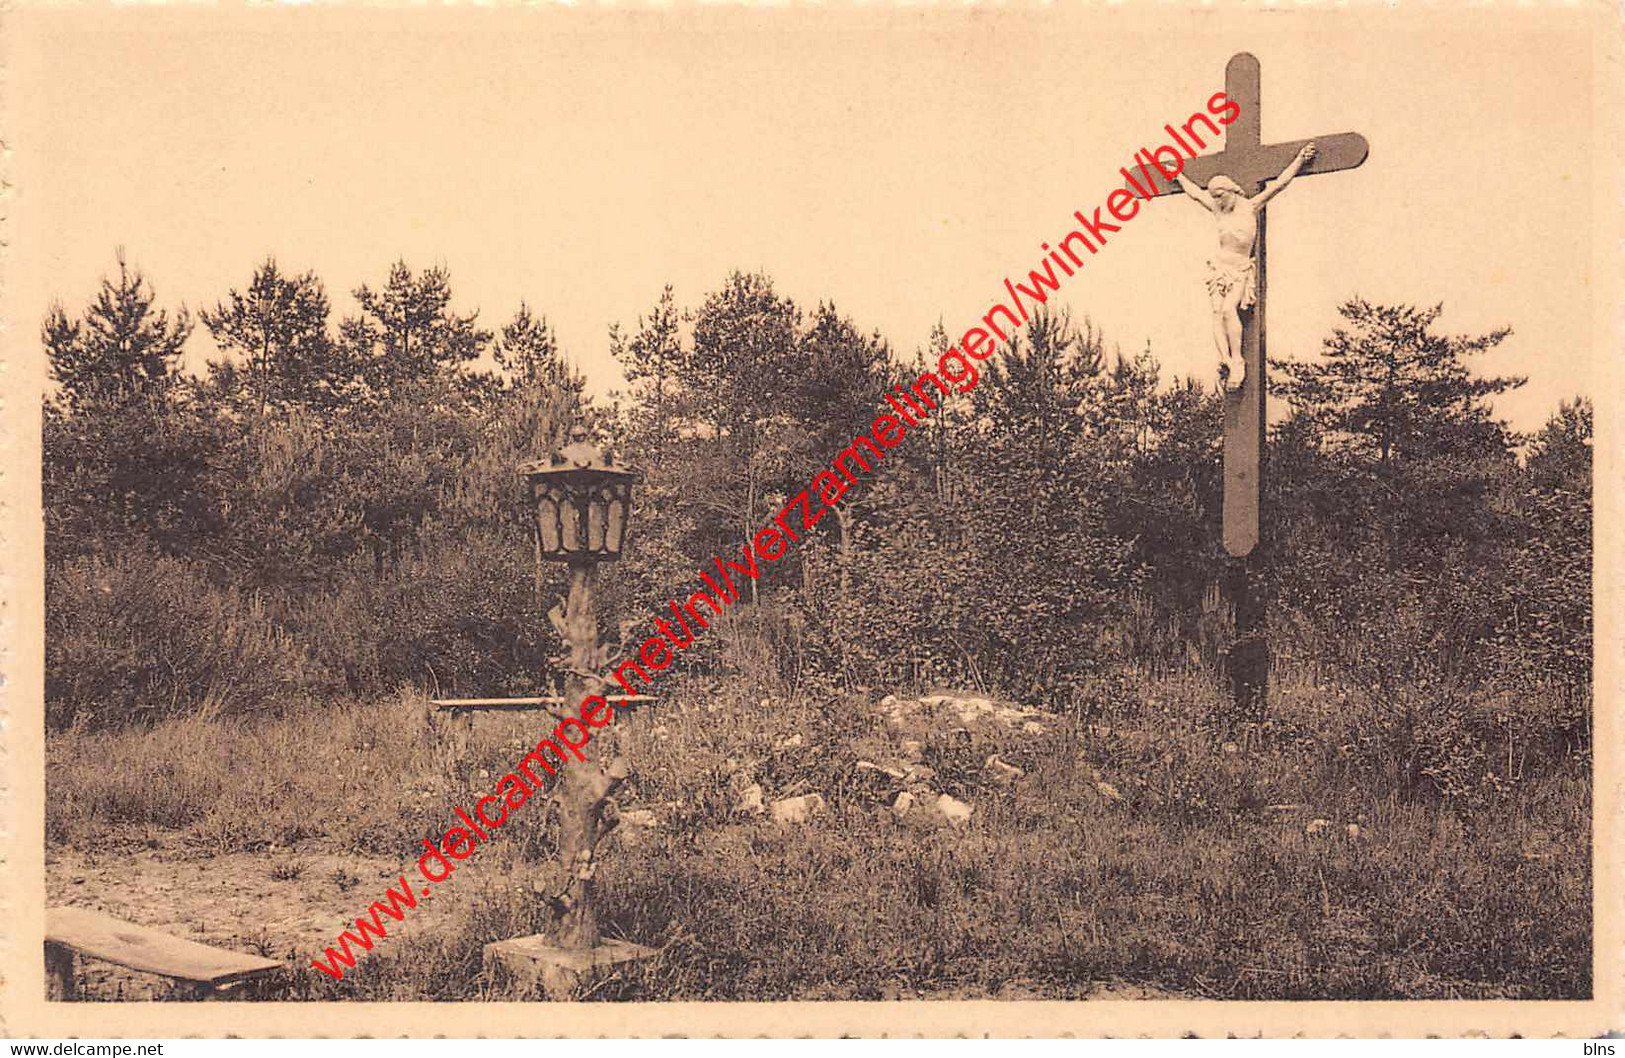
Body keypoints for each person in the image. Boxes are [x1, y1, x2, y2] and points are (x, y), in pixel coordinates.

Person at [1174, 143, 1317, 391]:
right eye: (1215, 197)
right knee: (1217, 314)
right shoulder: (1218, 210)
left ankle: (1238, 360)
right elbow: (1195, 193)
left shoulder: (1250, 207)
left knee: (1230, 310)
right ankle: (1226, 359)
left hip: (1240, 269)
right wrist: (1177, 175)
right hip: (1218, 268)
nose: (1217, 201)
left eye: (1220, 196)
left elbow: (1280, 184)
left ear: (1232, 191)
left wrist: (1300, 160)